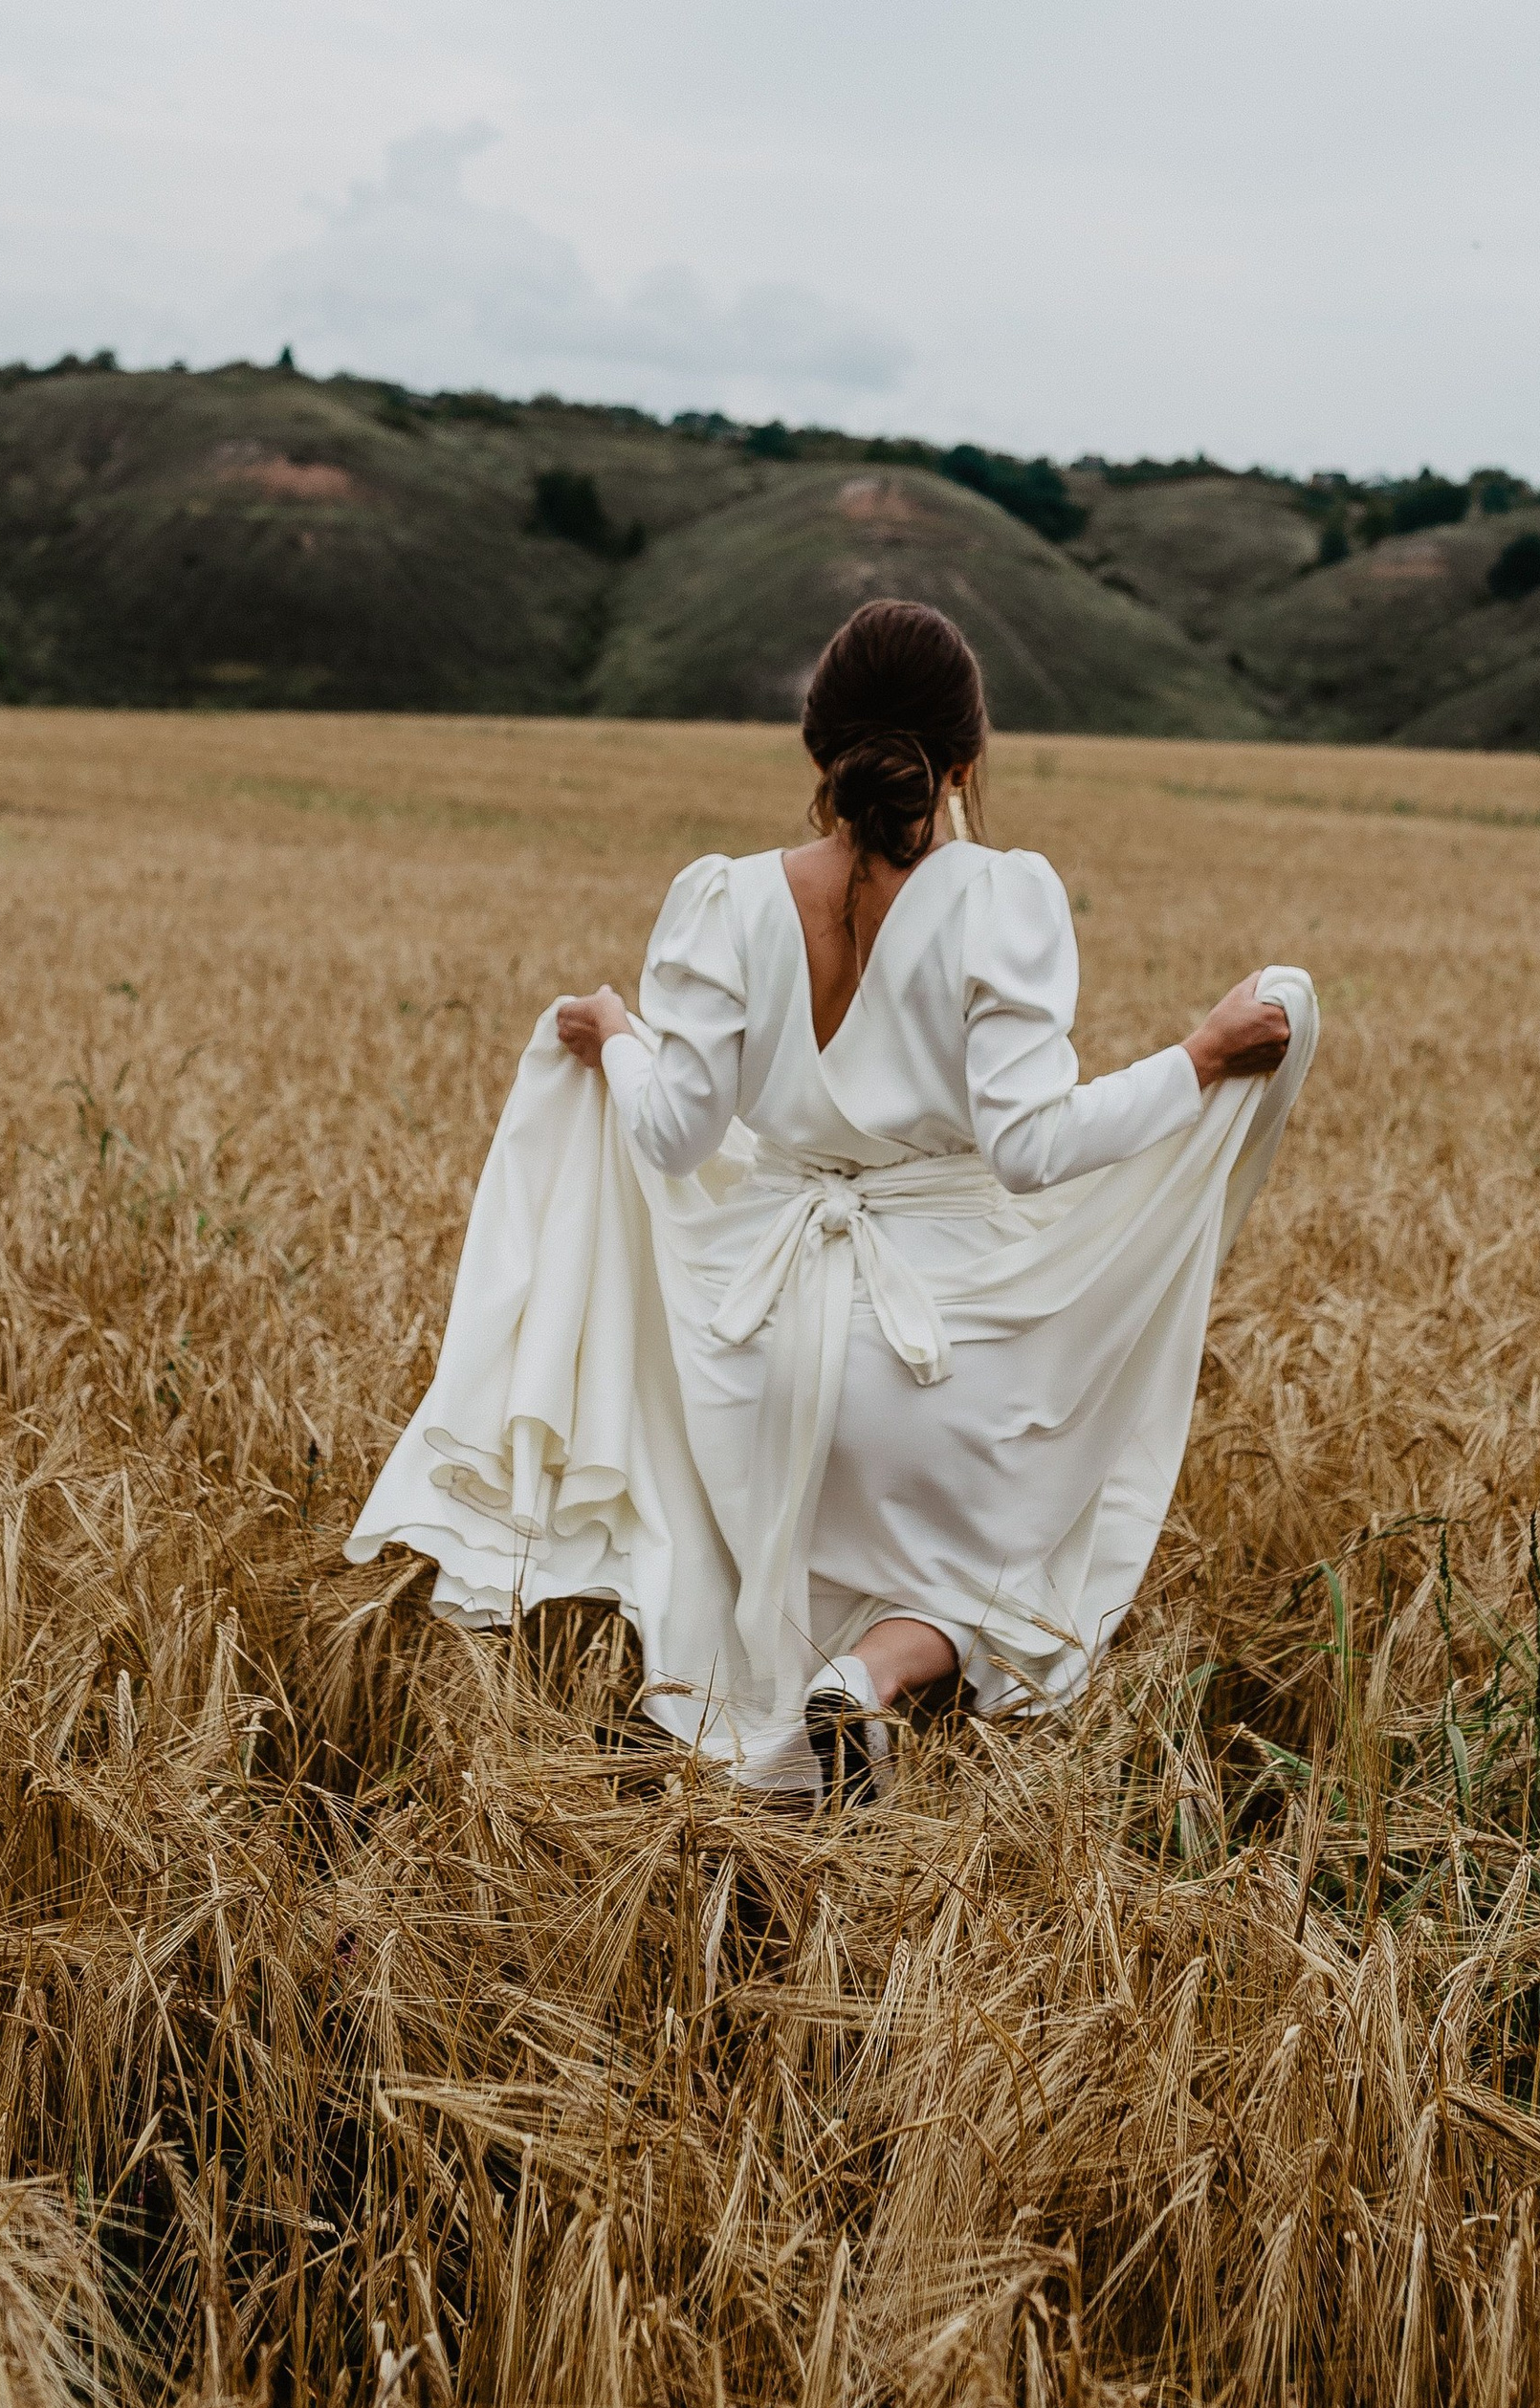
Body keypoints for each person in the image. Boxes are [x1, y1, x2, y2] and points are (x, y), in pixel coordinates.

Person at [347, 599, 1316, 1804]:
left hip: (743, 1358)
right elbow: (1027, 1148)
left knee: (757, 1537)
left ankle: (740, 1710)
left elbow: (670, 1132)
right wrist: (1201, 1057)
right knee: (1043, 1521)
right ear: (965, 759)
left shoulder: (723, 898)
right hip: (935, 1358)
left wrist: (619, 1034)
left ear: (817, 749)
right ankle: (865, 1681)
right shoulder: (1001, 896)